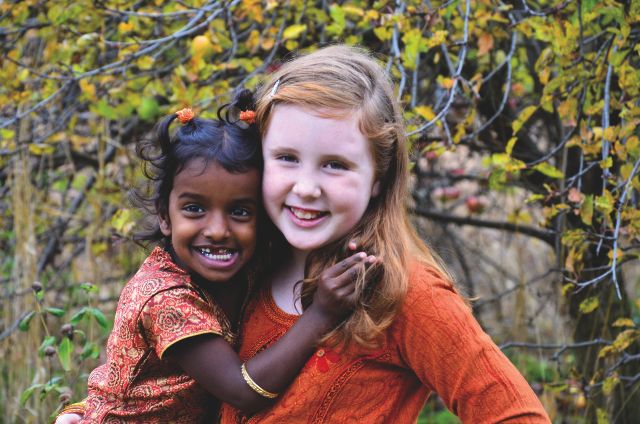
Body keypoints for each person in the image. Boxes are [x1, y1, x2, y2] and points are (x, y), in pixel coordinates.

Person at [218, 45, 551, 423]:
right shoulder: (241, 266)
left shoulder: (403, 291)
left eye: (335, 164)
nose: (307, 187)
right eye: (287, 158)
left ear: (378, 177)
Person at [54, 94, 375, 423]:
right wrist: (320, 314)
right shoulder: (165, 299)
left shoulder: (249, 264)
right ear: (165, 216)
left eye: (239, 211)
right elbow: (242, 391)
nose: (219, 230)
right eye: (194, 209)